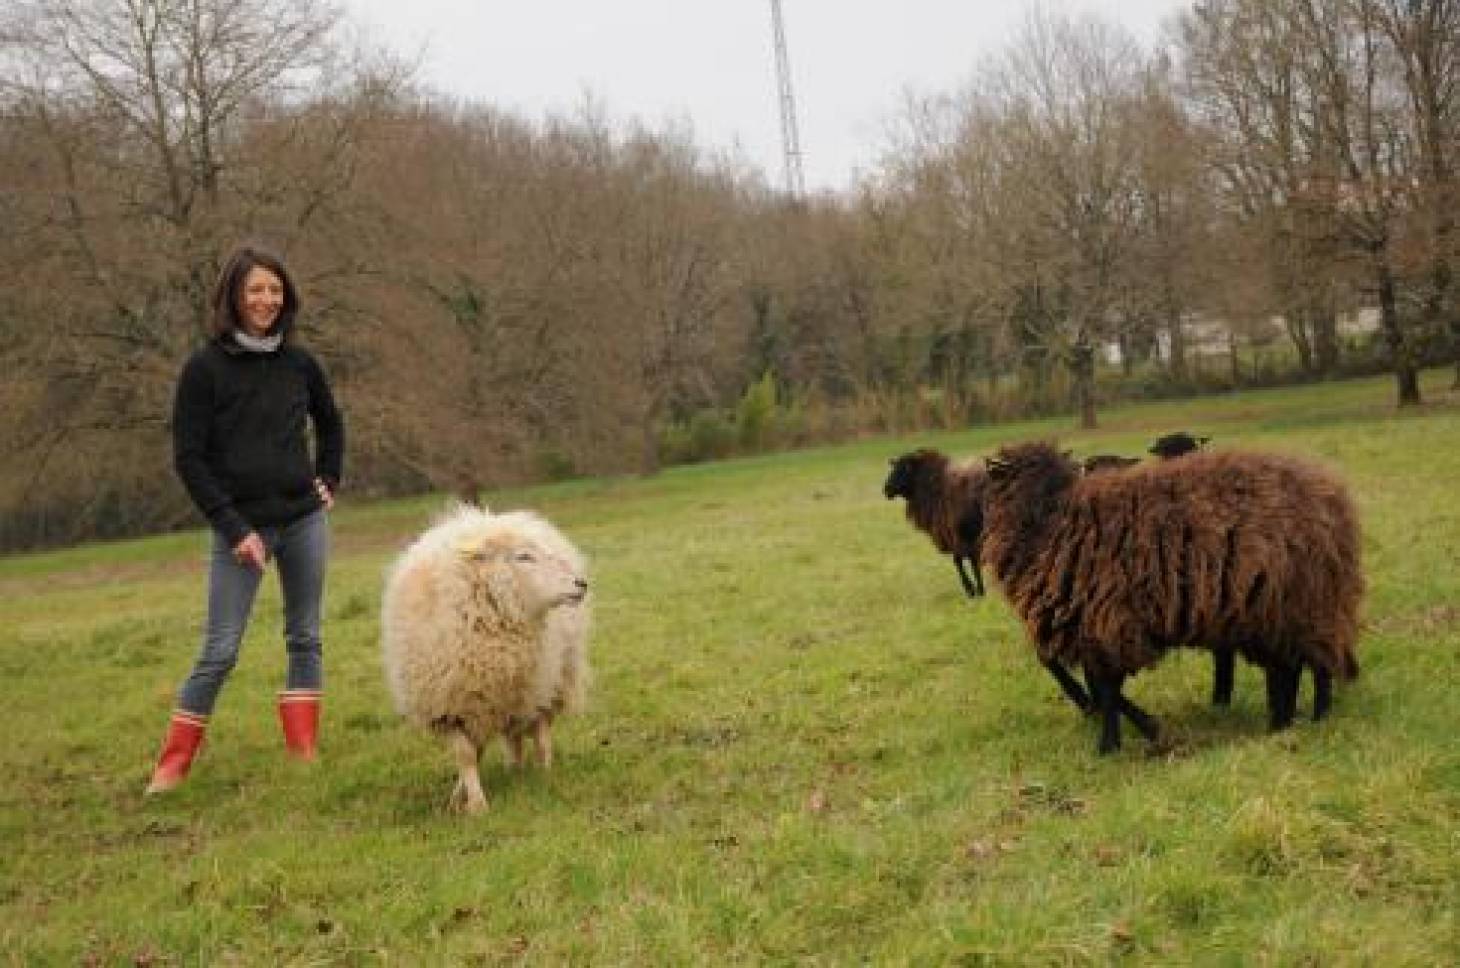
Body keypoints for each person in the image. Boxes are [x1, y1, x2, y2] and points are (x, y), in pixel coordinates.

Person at [145, 244, 344, 794]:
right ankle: (171, 767)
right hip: (242, 529)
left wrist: (329, 476)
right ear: (234, 296)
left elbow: (332, 424)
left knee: (305, 637)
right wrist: (234, 529)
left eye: (275, 290)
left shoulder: (301, 364)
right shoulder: (203, 369)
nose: (266, 300)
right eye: (255, 289)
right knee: (221, 649)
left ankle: (303, 753)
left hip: (304, 520)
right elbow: (190, 458)